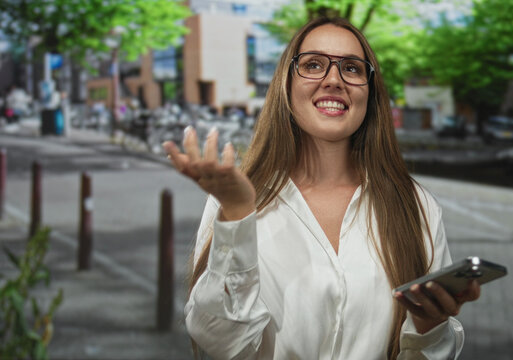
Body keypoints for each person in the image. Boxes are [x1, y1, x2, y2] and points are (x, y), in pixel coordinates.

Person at [163, 17, 481, 359]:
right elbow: (218, 341)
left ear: (370, 92)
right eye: (313, 64)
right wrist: (237, 214)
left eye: (352, 68)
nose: (333, 79)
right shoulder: (234, 200)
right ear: (286, 84)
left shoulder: (416, 205)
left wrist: (428, 328)